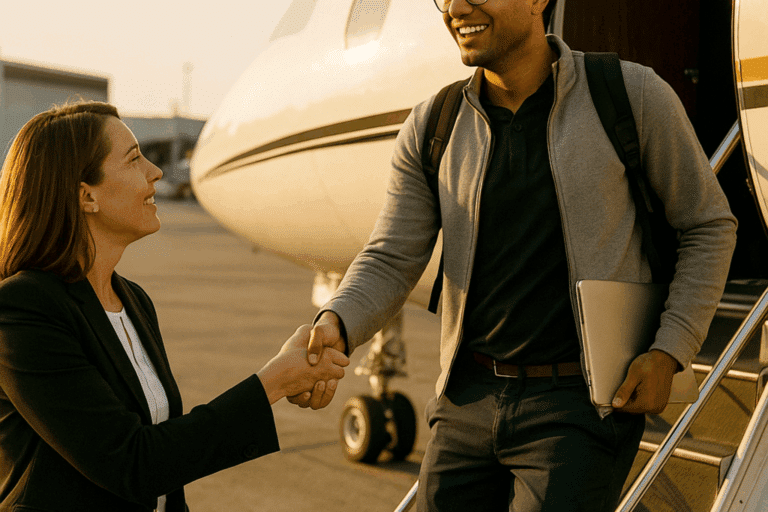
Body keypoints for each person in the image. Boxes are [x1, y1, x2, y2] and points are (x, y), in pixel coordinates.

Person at [290, 0, 738, 510]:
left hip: (578, 407)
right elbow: (392, 255)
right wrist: (337, 321)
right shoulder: (433, 124)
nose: (456, 8)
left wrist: (670, 350)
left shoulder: (630, 95)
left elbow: (708, 225)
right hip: (465, 400)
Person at [0, 102, 349, 512]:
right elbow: (132, 463)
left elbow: (165, 457)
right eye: (134, 159)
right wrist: (272, 383)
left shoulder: (133, 301)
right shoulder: (23, 310)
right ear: (86, 196)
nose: (156, 172)